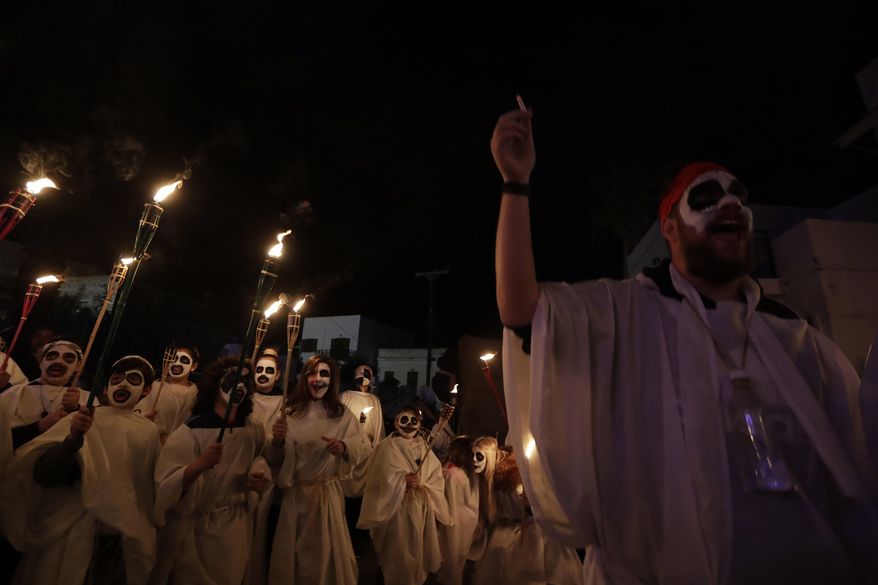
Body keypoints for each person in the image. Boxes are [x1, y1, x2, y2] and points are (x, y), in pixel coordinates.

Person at [492, 106, 878, 583]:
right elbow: (521, 310)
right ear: (670, 226)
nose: (731, 203)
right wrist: (516, 184)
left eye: (739, 195)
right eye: (708, 196)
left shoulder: (798, 339)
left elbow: (857, 465)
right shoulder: (624, 316)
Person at [0, 355, 160, 585]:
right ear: (105, 387)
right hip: (63, 530)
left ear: (146, 390)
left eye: (133, 379)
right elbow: (44, 475)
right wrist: (73, 439)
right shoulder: (82, 418)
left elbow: (142, 491)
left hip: (110, 537)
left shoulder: (148, 433)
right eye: (116, 379)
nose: (123, 384)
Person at [149, 357, 272, 585]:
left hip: (234, 530)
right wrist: (199, 465)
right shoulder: (191, 430)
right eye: (233, 378)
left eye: (246, 380)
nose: (240, 386)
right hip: (196, 535)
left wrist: (255, 481)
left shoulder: (252, 430)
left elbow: (261, 461)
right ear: (216, 383)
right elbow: (165, 486)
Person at [265, 355, 370, 585]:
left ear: (332, 380)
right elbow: (272, 460)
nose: (318, 378)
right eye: (312, 373)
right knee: (292, 559)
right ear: (304, 378)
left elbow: (363, 447)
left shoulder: (341, 414)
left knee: (323, 557)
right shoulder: (289, 412)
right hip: (295, 497)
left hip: (326, 498)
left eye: (324, 374)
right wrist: (278, 441)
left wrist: (343, 446)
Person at [358, 404, 452, 585]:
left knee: (417, 551)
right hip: (395, 511)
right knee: (397, 553)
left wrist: (424, 484)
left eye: (413, 421)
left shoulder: (424, 446)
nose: (409, 424)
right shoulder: (386, 447)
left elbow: (435, 475)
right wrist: (402, 482)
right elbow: (378, 479)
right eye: (404, 420)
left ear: (419, 423)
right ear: (395, 423)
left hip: (419, 509)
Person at [469, 437, 582, 585]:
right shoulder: (483, 481)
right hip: (503, 533)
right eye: (472, 455)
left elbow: (541, 502)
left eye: (479, 456)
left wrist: (530, 504)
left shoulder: (518, 476)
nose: (474, 461)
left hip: (529, 532)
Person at [0, 339, 88, 454]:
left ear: (78, 366)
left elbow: (88, 447)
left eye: (68, 358)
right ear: (41, 362)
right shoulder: (14, 394)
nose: (58, 361)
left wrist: (75, 409)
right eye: (52, 356)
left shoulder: (88, 399)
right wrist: (38, 427)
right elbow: (3, 440)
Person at [135, 344, 200, 443]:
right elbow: (135, 414)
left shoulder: (195, 394)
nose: (177, 363)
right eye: (174, 359)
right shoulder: (153, 387)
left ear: (194, 366)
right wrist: (143, 419)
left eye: (183, 360)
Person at [436, 435, 479, 585]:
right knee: (459, 556)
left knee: (451, 557)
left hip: (453, 518)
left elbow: (445, 497)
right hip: (469, 518)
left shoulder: (451, 473)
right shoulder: (470, 472)